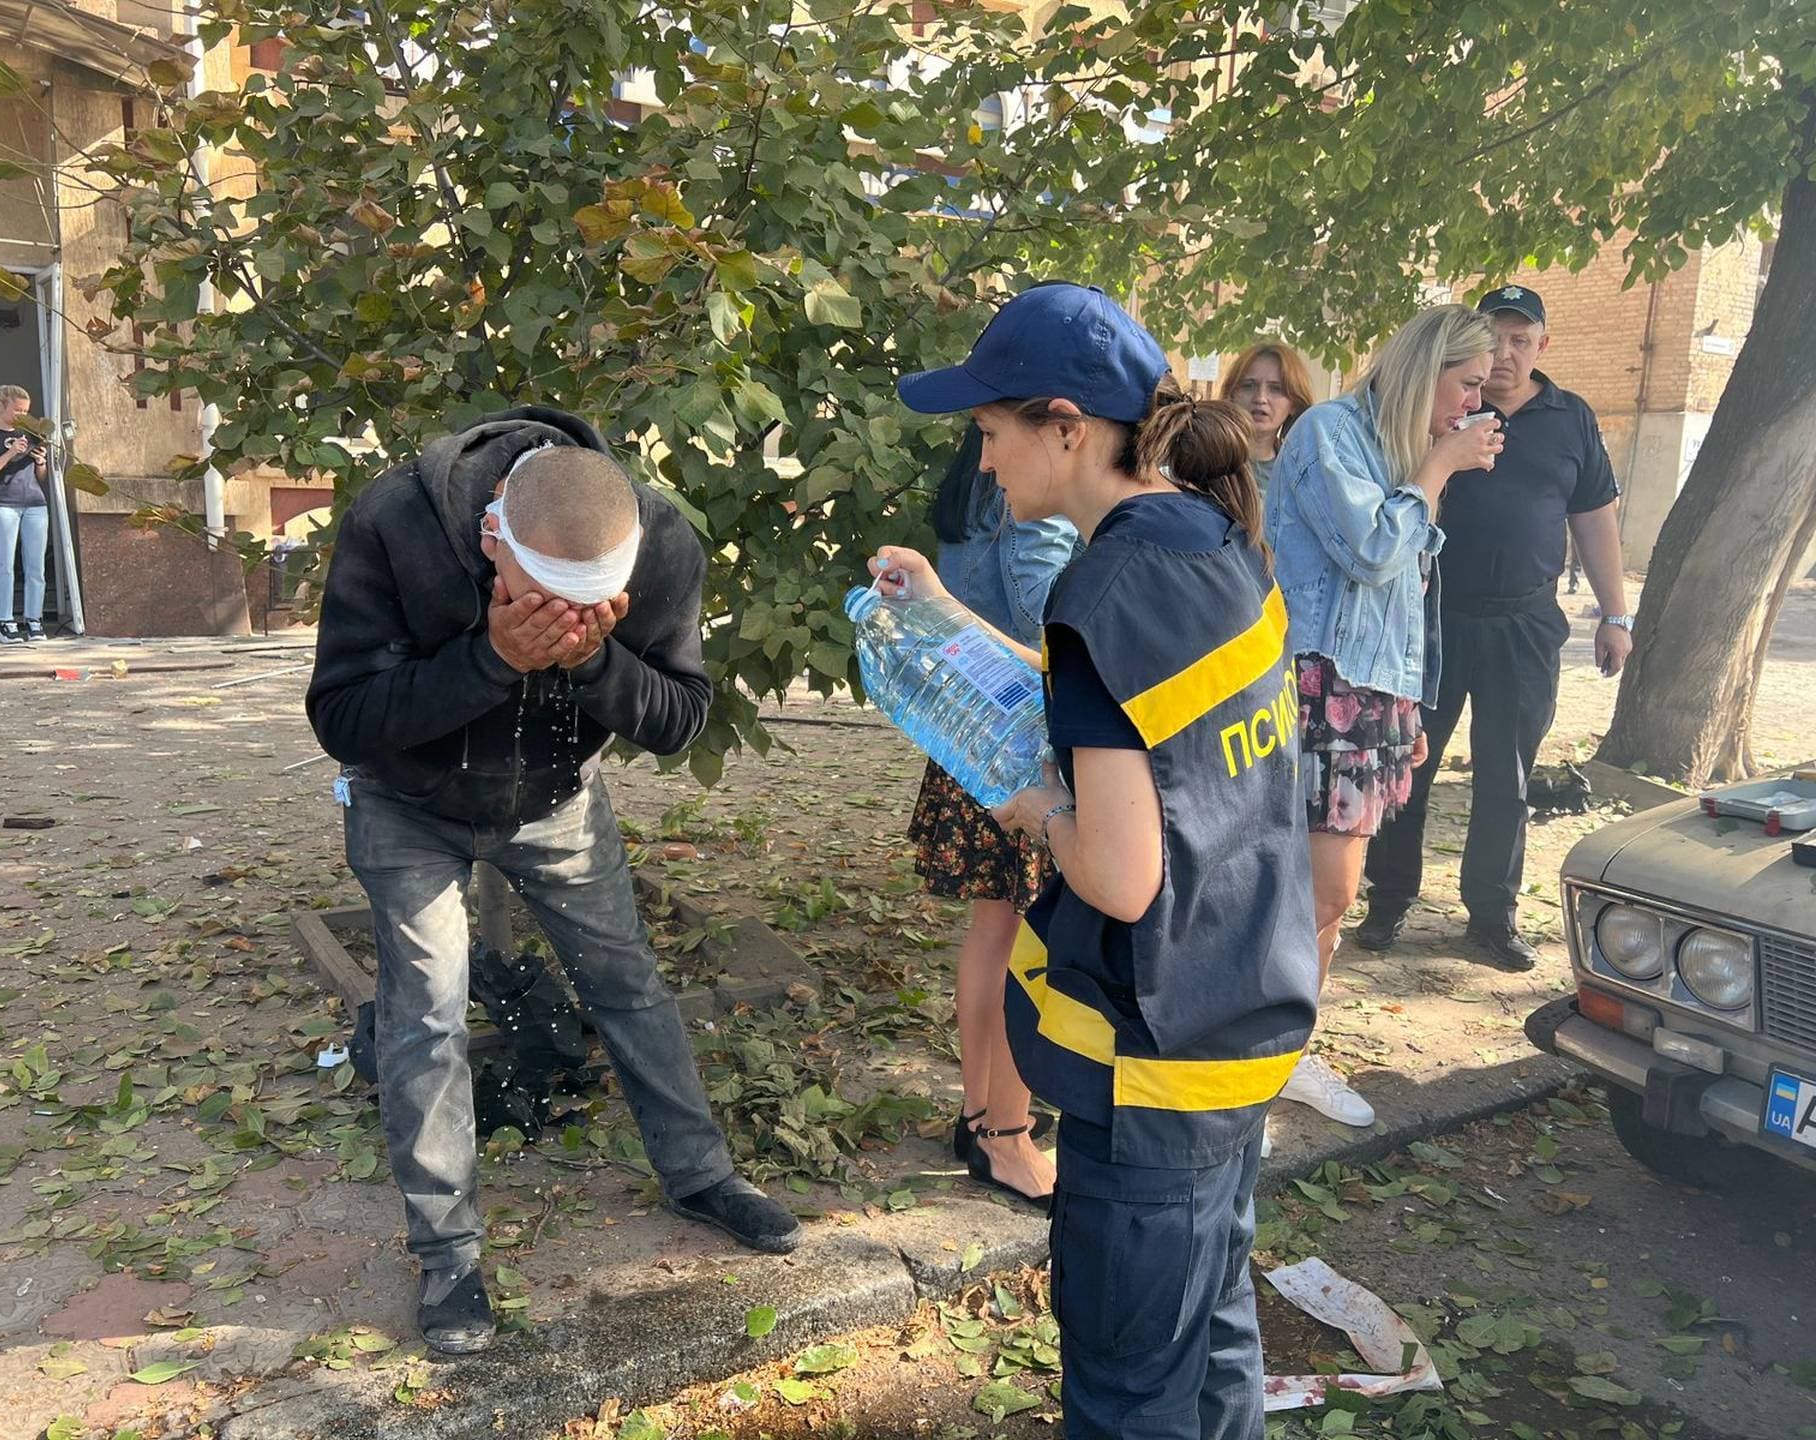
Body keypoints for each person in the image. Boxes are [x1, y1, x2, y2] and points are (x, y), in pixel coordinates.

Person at [875, 282, 1319, 1439]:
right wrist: (944, 619)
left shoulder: (1101, 589)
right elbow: (1128, 726)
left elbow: (1118, 874)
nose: (982, 462)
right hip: (1240, 1022)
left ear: (1065, 426)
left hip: (1151, 1067)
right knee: (1213, 1340)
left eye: (990, 430)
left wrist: (1029, 809)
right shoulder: (1210, 538)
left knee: (1129, 1398)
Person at [306, 406, 800, 1357]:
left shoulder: (655, 538)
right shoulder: (395, 521)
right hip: (409, 804)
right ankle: (448, 1254)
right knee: (427, 1017)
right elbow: (344, 718)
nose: (573, 618)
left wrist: (594, 664)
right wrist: (491, 660)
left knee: (627, 983)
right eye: (547, 597)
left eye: (594, 604)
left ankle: (700, 1175)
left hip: (557, 800)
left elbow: (678, 718)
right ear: (494, 534)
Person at [1264, 304, 1500, 1131]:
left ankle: (1284, 1051)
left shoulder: (1396, 452)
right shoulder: (1332, 432)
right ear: (1424, 368)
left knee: (1329, 897)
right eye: (1465, 384)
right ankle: (1255, 1055)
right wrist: (1438, 466)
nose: (1471, 406)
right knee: (1310, 892)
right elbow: (1370, 551)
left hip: (1369, 696)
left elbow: (1406, 597)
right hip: (1315, 685)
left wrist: (1406, 706)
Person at [1358, 285, 1631, 970]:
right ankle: (1388, 901)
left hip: (1527, 623)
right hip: (1434, 620)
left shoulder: (1571, 418)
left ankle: (1491, 916)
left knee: (1507, 777)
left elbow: (1594, 518)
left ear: (1543, 343)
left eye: (1520, 338)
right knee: (1407, 766)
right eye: (1494, 338)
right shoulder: (1444, 407)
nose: (1505, 354)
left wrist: (1615, 612)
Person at [914, 420, 1078, 1207]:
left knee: (995, 933)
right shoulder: (1035, 503)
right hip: (1025, 752)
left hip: (970, 737)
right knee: (1029, 940)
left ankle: (982, 1113)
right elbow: (1054, 634)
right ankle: (1003, 1134)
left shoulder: (974, 485)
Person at [0, 385, 51, 643]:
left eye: (26, 411)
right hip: (3, 504)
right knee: (4, 565)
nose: (22, 415)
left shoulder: (30, 433)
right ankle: (4, 621)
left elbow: (41, 478)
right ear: (1, 405)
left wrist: (41, 462)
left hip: (35, 503)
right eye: (17, 410)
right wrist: (10, 452)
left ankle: (34, 619)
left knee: (36, 565)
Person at [1221, 341, 1316, 495]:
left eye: (1276, 389)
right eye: (1248, 386)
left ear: (1294, 404)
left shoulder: (1300, 476)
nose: (1260, 398)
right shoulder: (1208, 461)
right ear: (1231, 395)